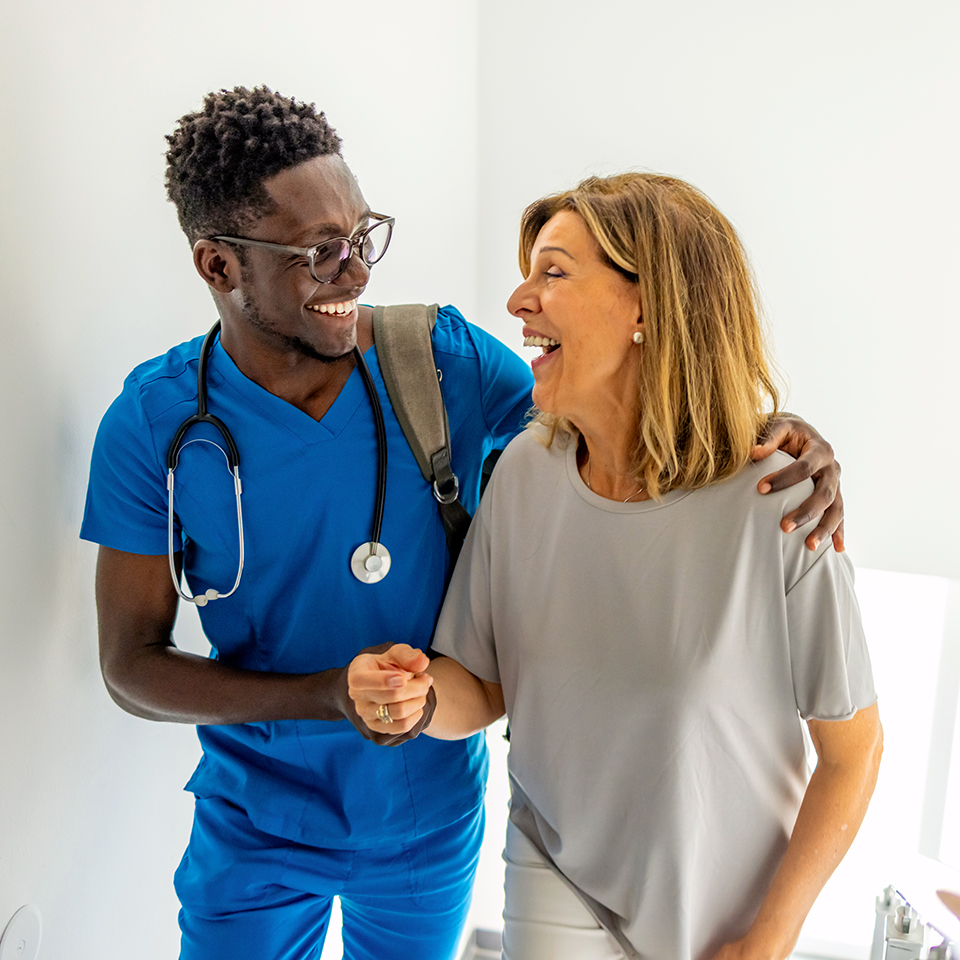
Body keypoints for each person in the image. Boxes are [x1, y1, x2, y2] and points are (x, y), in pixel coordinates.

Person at [81, 84, 842, 960]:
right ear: (218, 266)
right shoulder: (156, 423)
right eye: (318, 252)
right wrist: (327, 694)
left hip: (425, 816)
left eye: (362, 237)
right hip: (254, 821)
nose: (356, 272)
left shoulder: (437, 362)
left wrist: (770, 432)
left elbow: (614, 421)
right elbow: (130, 667)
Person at [348, 173, 883, 960]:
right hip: (555, 866)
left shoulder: (779, 500)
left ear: (648, 306)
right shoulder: (527, 473)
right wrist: (415, 698)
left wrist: (768, 940)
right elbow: (484, 684)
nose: (519, 301)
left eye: (554, 271)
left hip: (726, 916)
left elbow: (852, 754)